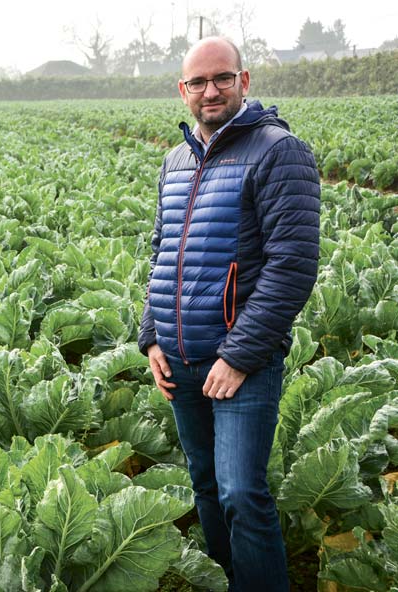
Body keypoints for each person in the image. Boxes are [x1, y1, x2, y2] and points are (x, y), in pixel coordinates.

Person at [137, 37, 320, 592]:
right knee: (207, 486)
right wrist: (151, 337)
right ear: (183, 91)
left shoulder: (277, 151)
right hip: (181, 360)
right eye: (198, 82)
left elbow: (292, 266)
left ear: (245, 81)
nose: (209, 91)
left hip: (241, 364)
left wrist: (239, 356)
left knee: (242, 492)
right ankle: (226, 578)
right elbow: (162, 252)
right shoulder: (176, 159)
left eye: (222, 79)